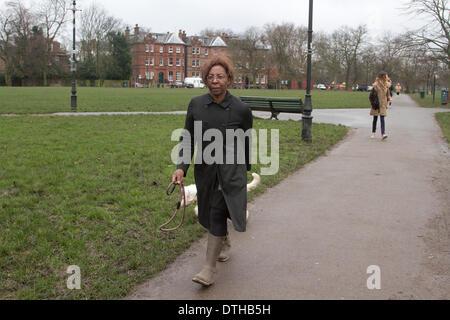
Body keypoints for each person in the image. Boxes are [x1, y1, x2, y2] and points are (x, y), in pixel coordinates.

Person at [172, 55, 253, 287]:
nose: (215, 80)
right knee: (209, 213)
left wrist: (244, 169)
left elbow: (247, 140)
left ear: (229, 79)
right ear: (205, 80)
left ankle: (208, 269)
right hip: (205, 169)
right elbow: (187, 138)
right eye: (211, 76)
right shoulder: (196, 105)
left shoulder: (241, 109)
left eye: (220, 76)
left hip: (230, 170)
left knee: (217, 210)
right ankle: (223, 239)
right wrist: (181, 168)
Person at [370, 71, 391, 140]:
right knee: (375, 118)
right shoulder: (376, 85)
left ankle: (383, 134)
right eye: (385, 76)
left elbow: (387, 94)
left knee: (382, 118)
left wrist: (389, 99)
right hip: (376, 103)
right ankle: (373, 132)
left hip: (383, 104)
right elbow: (372, 95)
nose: (386, 78)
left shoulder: (386, 85)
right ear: (382, 77)